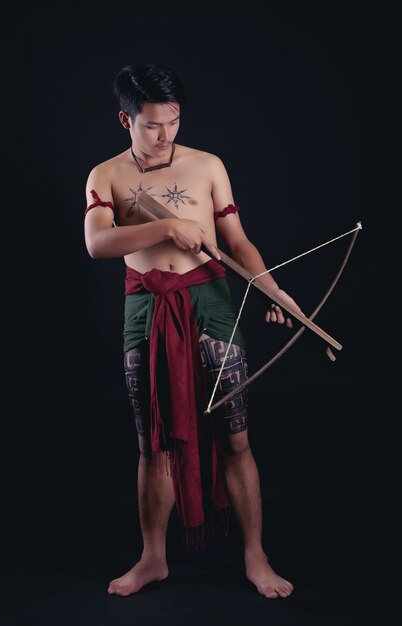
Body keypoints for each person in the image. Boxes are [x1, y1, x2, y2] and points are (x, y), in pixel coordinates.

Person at [84, 63, 300, 599]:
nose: (164, 136)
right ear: (125, 119)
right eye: (152, 124)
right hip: (147, 307)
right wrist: (164, 227)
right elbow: (96, 243)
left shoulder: (207, 166)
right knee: (152, 443)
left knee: (236, 433)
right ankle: (153, 558)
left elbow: (237, 240)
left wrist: (271, 288)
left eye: (173, 122)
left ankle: (255, 555)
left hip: (211, 300)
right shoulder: (105, 175)